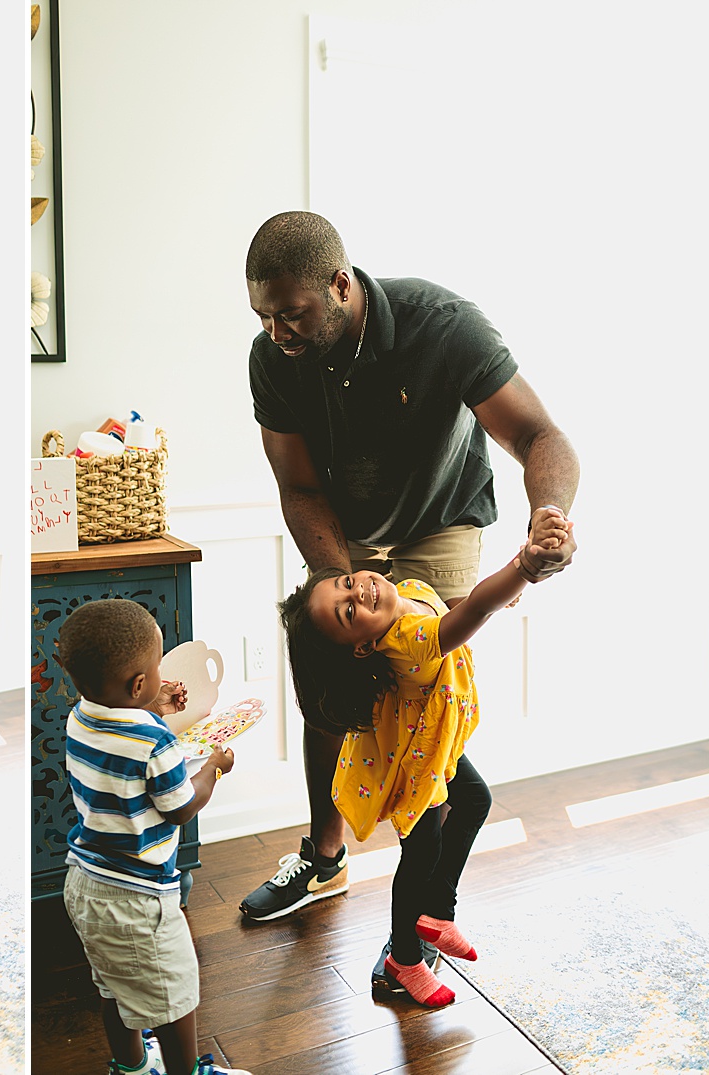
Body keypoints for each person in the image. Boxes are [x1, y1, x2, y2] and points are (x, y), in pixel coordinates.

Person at [238, 211, 580, 981]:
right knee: (336, 690)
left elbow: (539, 436)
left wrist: (547, 517)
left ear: (340, 283)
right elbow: (297, 483)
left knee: (423, 695)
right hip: (344, 531)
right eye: (262, 314)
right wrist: (333, 581)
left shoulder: (444, 327)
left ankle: (418, 917)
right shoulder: (272, 357)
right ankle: (324, 856)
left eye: (292, 313)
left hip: (441, 521)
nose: (277, 331)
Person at [277, 511, 568, 1005]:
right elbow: (471, 610)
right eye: (349, 611)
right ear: (365, 646)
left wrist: (505, 590)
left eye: (348, 583)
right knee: (421, 852)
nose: (360, 592)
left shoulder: (406, 589)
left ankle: (438, 913)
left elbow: (468, 602)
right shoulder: (406, 644)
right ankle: (405, 957)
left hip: (439, 743)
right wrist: (521, 567)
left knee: (475, 802)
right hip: (418, 761)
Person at [58, 598, 251, 1075]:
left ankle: (132, 1067)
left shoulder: (79, 716)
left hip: (84, 881)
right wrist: (213, 769)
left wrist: (152, 707)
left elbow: (122, 748)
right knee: (174, 994)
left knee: (114, 988)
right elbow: (181, 805)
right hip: (138, 895)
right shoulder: (155, 742)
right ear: (139, 683)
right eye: (156, 669)